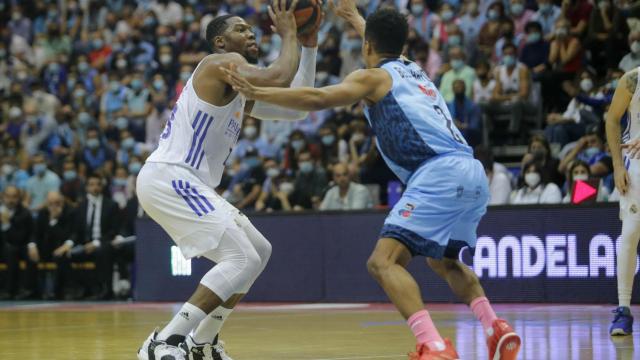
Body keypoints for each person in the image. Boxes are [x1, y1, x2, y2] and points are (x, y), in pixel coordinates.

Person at [222, 2, 521, 359]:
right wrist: (353, 18)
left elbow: (318, 98)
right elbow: (383, 42)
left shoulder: (372, 77)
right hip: (472, 172)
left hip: (437, 172)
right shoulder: (414, 69)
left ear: (367, 47)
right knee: (443, 260)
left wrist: (257, 93)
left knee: (383, 262)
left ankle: (433, 345)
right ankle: (495, 327)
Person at [135, 1, 323, 359]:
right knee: (240, 258)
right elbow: (279, 77)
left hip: (186, 182)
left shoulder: (237, 88)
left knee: (259, 252)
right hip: (171, 175)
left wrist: (308, 45)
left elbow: (296, 108)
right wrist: (289, 34)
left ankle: (203, 342)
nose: (250, 32)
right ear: (220, 43)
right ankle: (165, 341)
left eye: (250, 29)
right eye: (240, 29)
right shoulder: (217, 64)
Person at [604, 66, 640, 336]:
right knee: (630, 233)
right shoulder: (633, 78)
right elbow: (613, 119)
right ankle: (623, 310)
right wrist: (617, 165)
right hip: (637, 165)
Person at [0, 186, 35, 300]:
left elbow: (18, 238)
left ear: (19, 198)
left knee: (12, 251)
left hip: (18, 246)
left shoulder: (24, 213)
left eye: (14, 197)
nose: (11, 200)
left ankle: (13, 290)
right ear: (2, 197)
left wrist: (6, 224)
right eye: (8, 196)